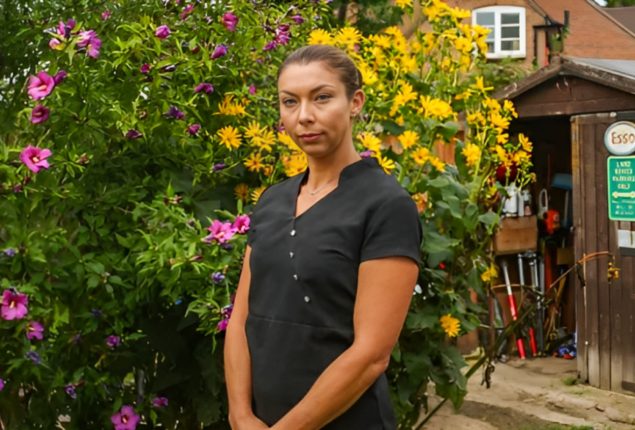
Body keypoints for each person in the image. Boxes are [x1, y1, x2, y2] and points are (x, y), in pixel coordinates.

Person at [224, 44, 422, 430]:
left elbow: (371, 355)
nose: (304, 116)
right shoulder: (272, 201)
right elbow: (241, 319)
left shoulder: (385, 206)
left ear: (355, 102)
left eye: (322, 97)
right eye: (290, 101)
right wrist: (240, 415)